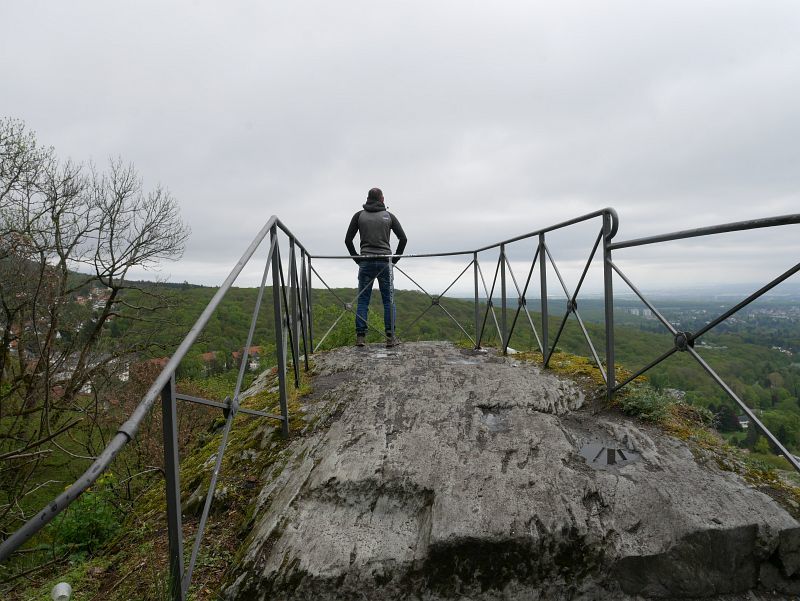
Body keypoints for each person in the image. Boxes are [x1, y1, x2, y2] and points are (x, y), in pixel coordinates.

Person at [344, 187, 407, 347]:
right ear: (382, 200)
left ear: (367, 199)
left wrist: (358, 259)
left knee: (363, 300)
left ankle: (360, 337)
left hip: (366, 261)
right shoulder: (389, 216)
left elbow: (347, 240)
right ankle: (390, 338)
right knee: (388, 300)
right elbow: (403, 239)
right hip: (385, 262)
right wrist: (394, 261)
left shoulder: (359, 216)